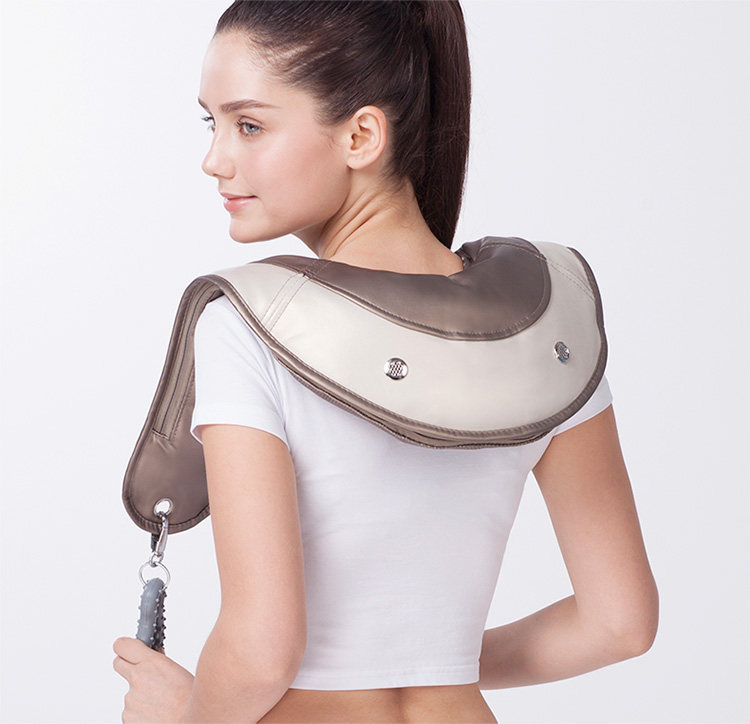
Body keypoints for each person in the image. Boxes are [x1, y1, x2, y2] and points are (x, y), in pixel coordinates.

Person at [179, 1, 658, 721]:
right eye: (209, 123)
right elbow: (619, 622)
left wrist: (183, 713)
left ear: (361, 136)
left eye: (248, 125)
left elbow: (260, 652)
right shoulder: (546, 318)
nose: (215, 159)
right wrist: (439, 661)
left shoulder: (250, 321)